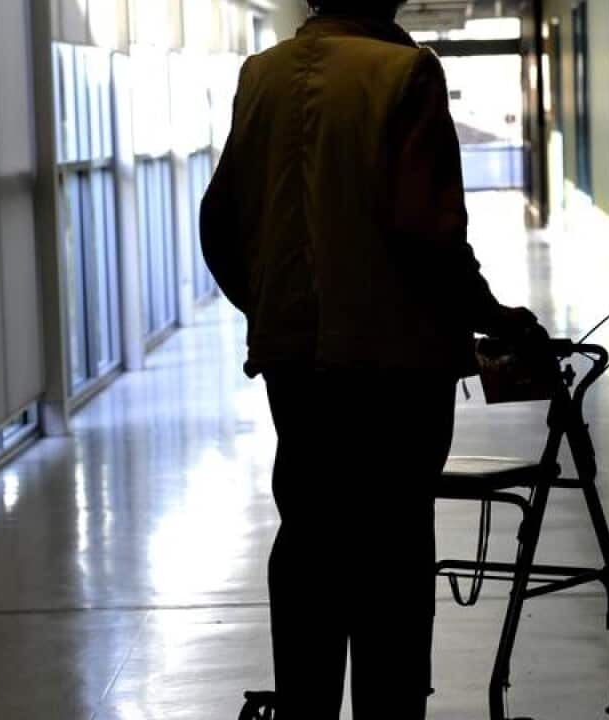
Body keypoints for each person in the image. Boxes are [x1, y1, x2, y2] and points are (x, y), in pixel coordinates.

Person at [200, 1, 541, 717]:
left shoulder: (260, 75)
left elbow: (220, 225)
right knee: (392, 554)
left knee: (311, 541)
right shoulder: (403, 72)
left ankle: (306, 704)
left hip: (295, 368)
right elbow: (430, 232)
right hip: (397, 374)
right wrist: (493, 317)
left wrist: (273, 311)